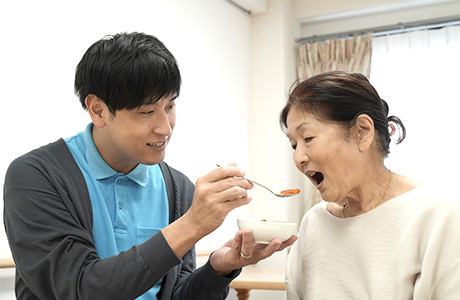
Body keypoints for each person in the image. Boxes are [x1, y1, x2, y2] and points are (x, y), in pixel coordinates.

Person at [3, 32, 297, 300]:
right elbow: (80, 289)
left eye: (170, 106)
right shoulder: (35, 176)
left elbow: (176, 295)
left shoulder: (176, 188)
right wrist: (191, 225)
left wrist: (218, 269)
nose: (165, 128)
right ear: (98, 110)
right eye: (147, 112)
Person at [279, 71, 460, 299]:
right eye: (294, 145)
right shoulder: (314, 222)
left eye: (308, 139)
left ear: (362, 131)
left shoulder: (439, 214)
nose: (298, 158)